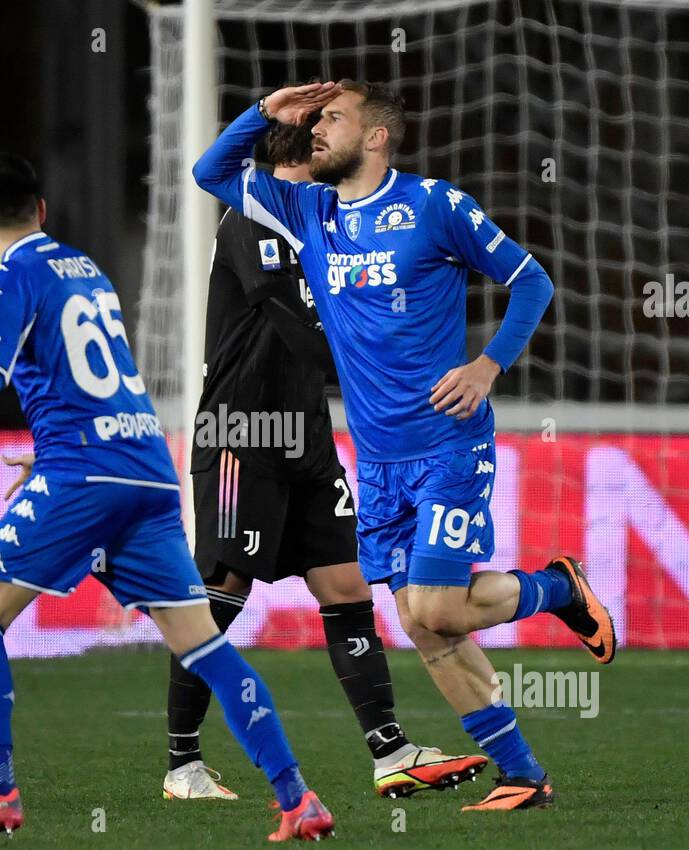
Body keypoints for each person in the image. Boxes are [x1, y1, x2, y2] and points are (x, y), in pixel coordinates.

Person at [0, 153, 334, 841]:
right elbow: (95, 382)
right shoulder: (86, 271)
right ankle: (298, 798)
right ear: (42, 211)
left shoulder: (8, 280)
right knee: (202, 645)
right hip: (143, 470)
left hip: (84, 473)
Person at [192, 80, 617, 811]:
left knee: (441, 610)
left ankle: (557, 589)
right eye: (316, 120)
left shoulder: (434, 206)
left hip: (447, 444)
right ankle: (522, 776)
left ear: (378, 136)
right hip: (380, 461)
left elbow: (531, 281)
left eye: (333, 119)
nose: (317, 130)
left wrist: (488, 366)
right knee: (421, 622)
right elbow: (210, 173)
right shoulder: (309, 210)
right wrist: (267, 112)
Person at [166, 114, 485, 802]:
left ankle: (390, 751)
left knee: (345, 586)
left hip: (306, 437)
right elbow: (299, 321)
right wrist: (386, 359)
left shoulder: (328, 229)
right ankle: (183, 764)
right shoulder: (252, 218)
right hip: (240, 435)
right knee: (221, 593)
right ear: (311, 157)